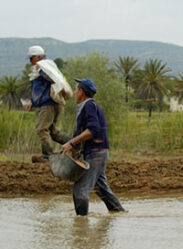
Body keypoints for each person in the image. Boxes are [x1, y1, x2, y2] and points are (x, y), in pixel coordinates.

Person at [61, 78, 125, 216]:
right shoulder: (87, 106)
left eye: (76, 89)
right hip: (98, 152)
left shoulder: (89, 106)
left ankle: (81, 224)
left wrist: (71, 143)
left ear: (82, 92)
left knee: (80, 190)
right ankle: (119, 214)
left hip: (95, 153)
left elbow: (92, 130)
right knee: (101, 188)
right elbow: (81, 133)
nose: (74, 91)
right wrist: (72, 146)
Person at [25, 45, 72, 162]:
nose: (30, 61)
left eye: (32, 58)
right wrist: (32, 101)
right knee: (53, 132)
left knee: (41, 129)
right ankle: (77, 145)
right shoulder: (47, 68)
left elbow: (53, 81)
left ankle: (48, 157)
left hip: (48, 104)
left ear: (39, 57)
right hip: (52, 103)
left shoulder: (43, 68)